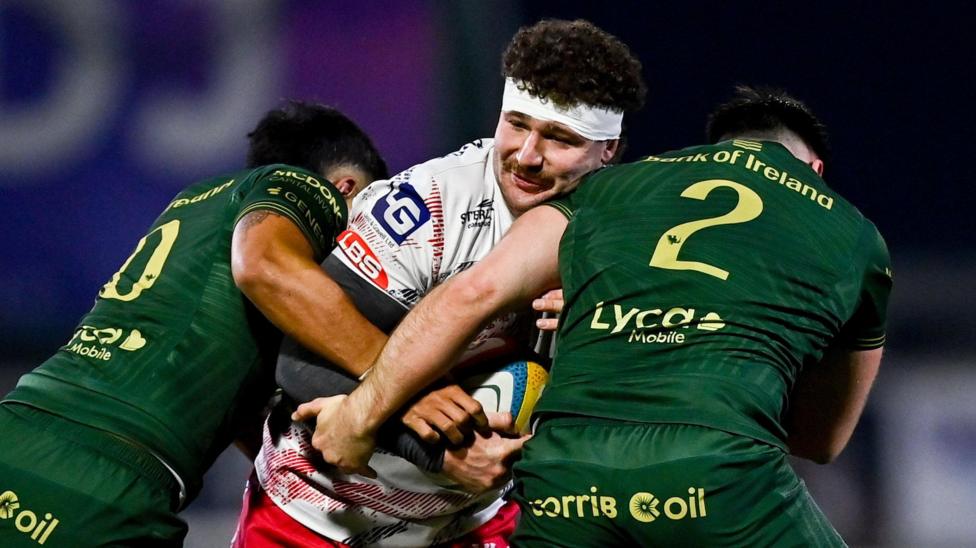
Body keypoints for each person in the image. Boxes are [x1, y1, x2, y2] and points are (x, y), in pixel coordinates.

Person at [297, 85, 893, 546]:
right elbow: (820, 439)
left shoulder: (612, 190)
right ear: (813, 170)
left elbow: (470, 295)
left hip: (565, 474)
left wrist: (360, 413)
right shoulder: (851, 232)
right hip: (718, 471)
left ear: (711, 152)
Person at [234, 18, 646, 548]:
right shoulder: (427, 205)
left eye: (560, 138)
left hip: (468, 521)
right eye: (516, 124)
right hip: (318, 511)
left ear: (607, 149)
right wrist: (435, 443)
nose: (527, 156)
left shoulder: (630, 232)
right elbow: (301, 363)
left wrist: (601, 326)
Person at [0, 101, 389, 546]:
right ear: (345, 187)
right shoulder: (302, 187)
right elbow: (262, 267)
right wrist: (396, 379)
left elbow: (239, 412)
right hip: (105, 480)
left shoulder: (195, 204)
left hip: (18, 429)